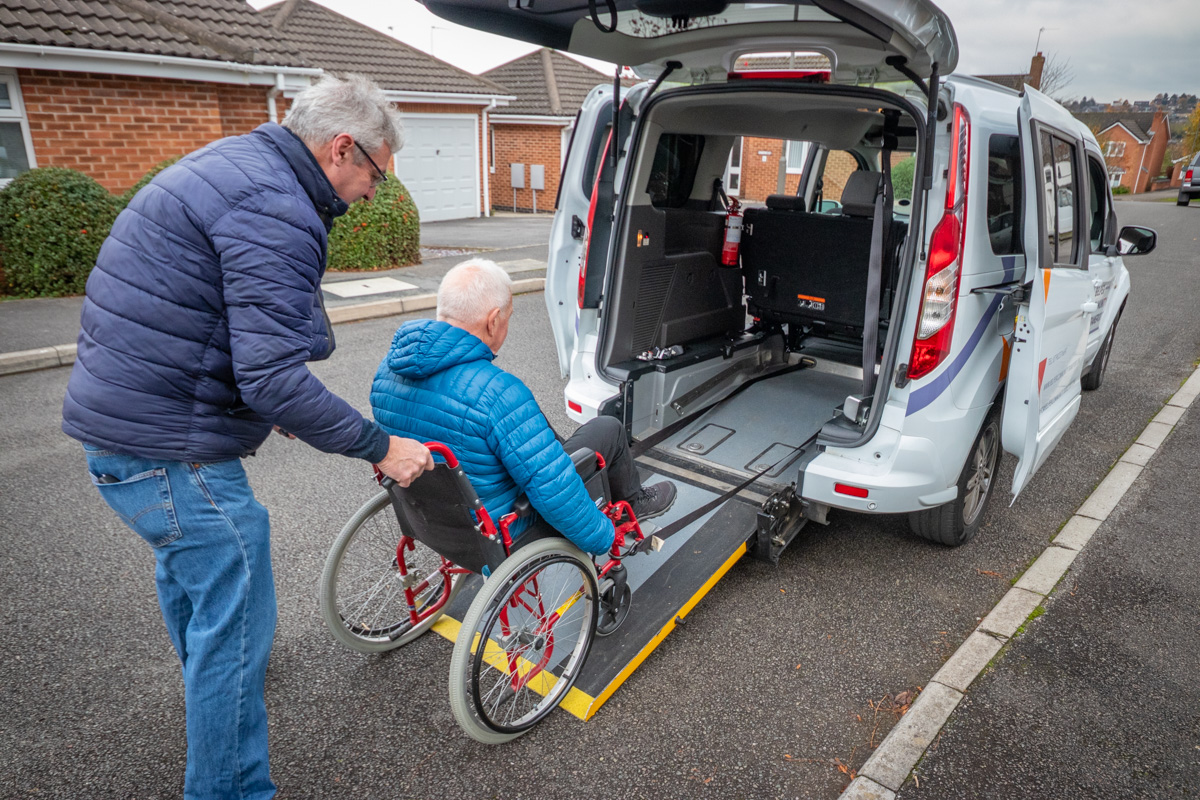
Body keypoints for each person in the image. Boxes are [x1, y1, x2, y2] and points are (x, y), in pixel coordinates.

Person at [61, 74, 432, 800]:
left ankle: (211, 691)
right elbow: (272, 377)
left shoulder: (236, 165)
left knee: (193, 577)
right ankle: (229, 785)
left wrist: (273, 402)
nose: (372, 194)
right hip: (167, 446)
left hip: (121, 428)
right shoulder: (275, 206)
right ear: (342, 148)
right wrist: (381, 446)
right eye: (376, 175)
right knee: (234, 613)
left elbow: (212, 324)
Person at [370, 259, 677, 555]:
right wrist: (604, 537)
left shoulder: (386, 373)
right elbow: (553, 491)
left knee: (527, 426)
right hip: (505, 527)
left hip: (432, 519)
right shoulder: (497, 392)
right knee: (608, 428)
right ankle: (634, 502)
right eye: (508, 318)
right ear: (493, 321)